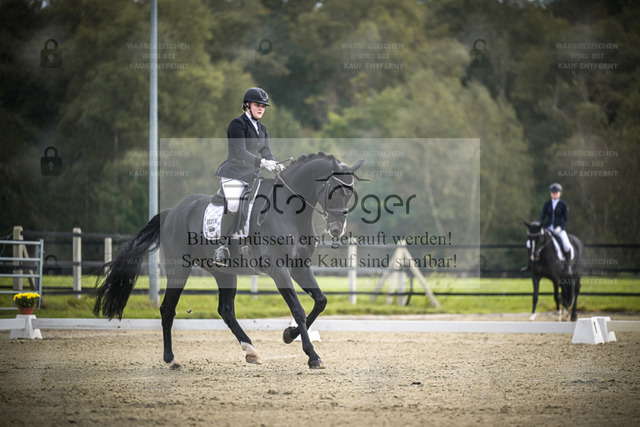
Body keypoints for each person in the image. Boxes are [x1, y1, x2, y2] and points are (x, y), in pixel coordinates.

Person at [213, 87, 284, 266]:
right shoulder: (237, 124)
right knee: (234, 204)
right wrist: (262, 162)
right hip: (234, 174)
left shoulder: (263, 129)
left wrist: (275, 163)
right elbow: (240, 152)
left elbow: (267, 152)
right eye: (257, 105)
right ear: (247, 105)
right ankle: (223, 246)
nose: (261, 108)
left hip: (253, 177)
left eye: (263, 106)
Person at [539, 182, 573, 274]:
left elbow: (566, 219)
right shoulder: (547, 204)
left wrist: (561, 227)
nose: (554, 194)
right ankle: (532, 264)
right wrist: (539, 226)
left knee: (566, 245)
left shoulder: (563, 205)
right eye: (553, 192)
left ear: (560, 193)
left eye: (556, 192)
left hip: (559, 229)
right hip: (547, 228)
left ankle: (567, 266)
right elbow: (542, 218)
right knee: (536, 243)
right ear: (550, 193)